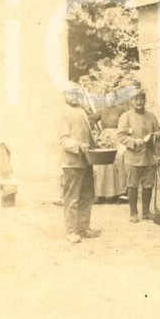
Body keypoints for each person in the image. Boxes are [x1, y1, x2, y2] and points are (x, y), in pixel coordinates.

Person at [57, 87, 101, 244]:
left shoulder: (81, 110)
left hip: (86, 160)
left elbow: (87, 133)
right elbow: (63, 140)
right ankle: (71, 231)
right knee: (72, 198)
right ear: (64, 95)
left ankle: (84, 227)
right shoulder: (63, 112)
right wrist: (79, 146)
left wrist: (95, 142)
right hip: (72, 162)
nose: (75, 97)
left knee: (87, 196)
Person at [116, 90, 160, 223]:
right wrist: (134, 142)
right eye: (136, 99)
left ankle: (146, 212)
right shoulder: (126, 116)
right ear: (131, 101)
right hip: (133, 157)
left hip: (149, 156)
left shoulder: (151, 116)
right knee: (133, 185)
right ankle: (133, 213)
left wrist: (155, 136)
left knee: (148, 184)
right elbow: (120, 136)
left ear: (145, 101)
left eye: (142, 99)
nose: (139, 102)